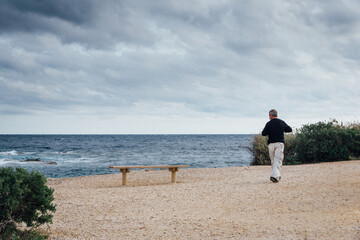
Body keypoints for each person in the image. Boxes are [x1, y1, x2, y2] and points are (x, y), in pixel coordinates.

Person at [262, 109, 292, 183]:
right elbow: (289, 129)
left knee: (273, 161)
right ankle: (275, 176)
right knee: (278, 160)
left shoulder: (268, 124)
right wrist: (282, 129)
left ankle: (276, 176)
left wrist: (270, 131)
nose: (269, 117)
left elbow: (263, 133)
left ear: (271, 115)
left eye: (269, 115)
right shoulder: (281, 122)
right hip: (279, 143)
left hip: (271, 144)